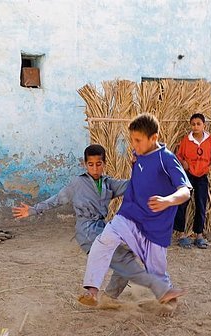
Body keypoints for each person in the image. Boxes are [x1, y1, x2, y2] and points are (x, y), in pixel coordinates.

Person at [13, 144, 175, 305]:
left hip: (102, 227)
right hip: (86, 230)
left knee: (126, 256)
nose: (95, 168)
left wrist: (139, 165)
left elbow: (132, 186)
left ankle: (109, 297)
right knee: (123, 260)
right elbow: (57, 199)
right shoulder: (78, 183)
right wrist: (34, 210)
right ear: (85, 164)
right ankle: (94, 292)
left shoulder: (108, 183)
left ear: (104, 164)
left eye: (99, 164)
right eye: (91, 164)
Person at [81, 113, 191, 305]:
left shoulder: (166, 159)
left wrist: (167, 200)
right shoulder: (139, 156)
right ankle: (91, 290)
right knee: (104, 240)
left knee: (156, 271)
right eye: (131, 140)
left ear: (154, 138)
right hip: (129, 215)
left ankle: (166, 299)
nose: (134, 145)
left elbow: (185, 191)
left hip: (155, 227)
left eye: (138, 140)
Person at [173, 113, 211, 249]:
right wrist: (183, 163)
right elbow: (179, 155)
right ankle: (181, 234)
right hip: (188, 176)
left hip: (202, 177)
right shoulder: (186, 141)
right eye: (193, 124)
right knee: (183, 203)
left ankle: (199, 235)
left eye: (198, 124)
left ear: (204, 125)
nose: (196, 126)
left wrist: (207, 169)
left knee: (201, 204)